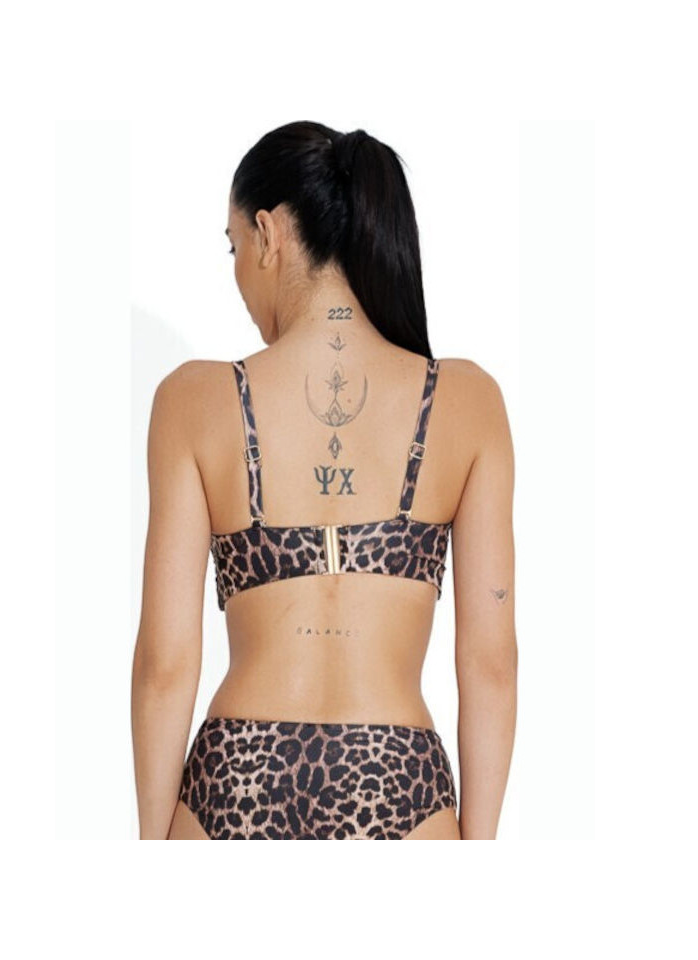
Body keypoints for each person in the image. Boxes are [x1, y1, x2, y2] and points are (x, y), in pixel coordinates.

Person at [131, 121, 517, 840]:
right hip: (400, 782)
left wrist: (151, 851)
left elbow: (165, 664)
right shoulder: (468, 401)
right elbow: (490, 663)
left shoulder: (192, 400)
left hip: (235, 777)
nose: (238, 275)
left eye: (233, 246)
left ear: (268, 234)